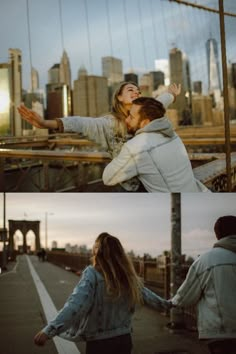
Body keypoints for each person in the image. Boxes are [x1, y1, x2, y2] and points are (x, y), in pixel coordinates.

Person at [17, 82, 180, 192]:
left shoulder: (147, 113)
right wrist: (46, 124)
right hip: (130, 187)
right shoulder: (110, 123)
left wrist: (171, 95)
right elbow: (80, 122)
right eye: (131, 90)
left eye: (138, 91)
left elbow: (160, 102)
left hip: (153, 181)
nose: (136, 92)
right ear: (119, 97)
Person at [34, 232, 171, 354]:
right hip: (124, 340)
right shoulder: (127, 276)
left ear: (97, 253)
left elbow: (75, 306)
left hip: (100, 343)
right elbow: (150, 297)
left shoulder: (92, 275)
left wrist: (49, 330)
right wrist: (170, 304)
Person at [102, 97, 208, 192]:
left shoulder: (135, 147)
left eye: (131, 116)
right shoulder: (172, 134)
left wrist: (119, 148)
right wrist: (171, 95)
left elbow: (108, 178)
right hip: (196, 197)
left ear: (145, 123)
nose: (127, 119)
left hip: (174, 209)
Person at [171, 215, 236, 354]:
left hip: (221, 333)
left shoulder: (206, 260)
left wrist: (171, 303)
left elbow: (186, 297)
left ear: (217, 234)